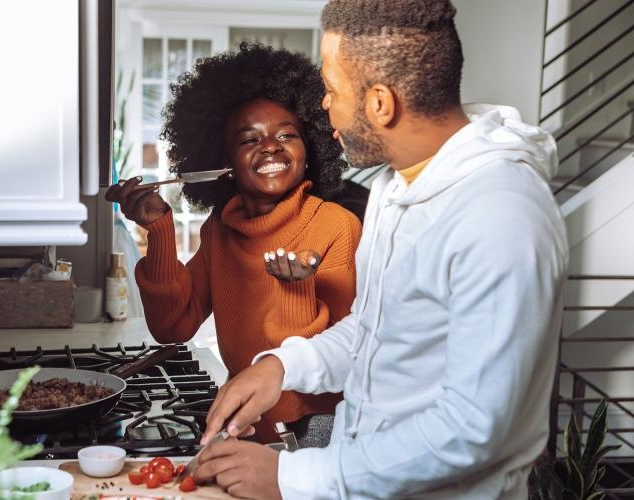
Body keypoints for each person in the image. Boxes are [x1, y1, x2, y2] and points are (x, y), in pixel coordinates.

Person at [195, 1, 569, 499]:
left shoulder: (501, 214)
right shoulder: (397, 188)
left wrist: (293, 478)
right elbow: (381, 330)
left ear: (379, 104)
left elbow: (473, 429)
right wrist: (284, 367)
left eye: (331, 89)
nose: (323, 106)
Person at [105, 43, 361, 445]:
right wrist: (159, 231)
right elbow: (173, 326)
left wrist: (295, 288)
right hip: (245, 426)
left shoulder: (336, 226)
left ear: (310, 150)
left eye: (287, 134)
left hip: (314, 436)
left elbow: (347, 356)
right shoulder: (220, 230)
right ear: (224, 162)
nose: (271, 146)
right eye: (249, 139)